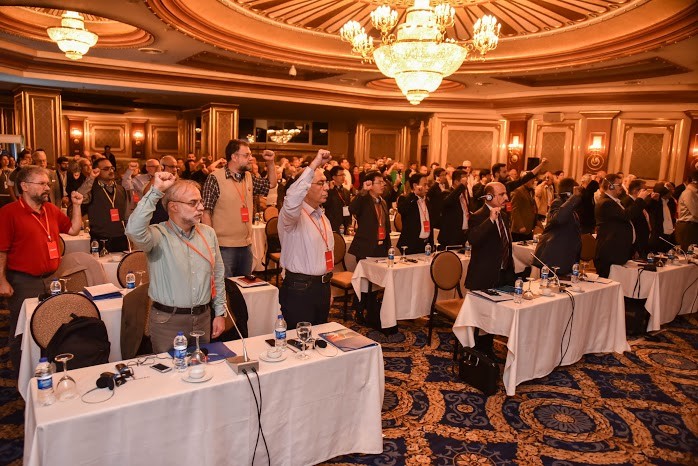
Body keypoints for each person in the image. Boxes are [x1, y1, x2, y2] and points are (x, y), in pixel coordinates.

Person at [125, 173, 226, 352]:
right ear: (173, 207)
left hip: (203, 318)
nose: (201, 207)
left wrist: (220, 312)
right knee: (169, 370)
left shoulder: (208, 233)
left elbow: (217, 274)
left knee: (202, 367)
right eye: (193, 203)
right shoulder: (158, 235)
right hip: (168, 321)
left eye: (200, 202)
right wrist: (155, 191)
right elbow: (133, 230)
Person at [0, 166, 84, 374]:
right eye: (42, 184)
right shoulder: (9, 212)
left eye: (48, 183)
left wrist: (77, 206)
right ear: (25, 186)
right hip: (23, 282)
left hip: (52, 279)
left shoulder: (51, 210)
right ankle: (23, 377)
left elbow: (74, 230)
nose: (47, 188)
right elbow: (1, 251)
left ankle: (49, 370)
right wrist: (1, 281)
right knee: (23, 330)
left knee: (51, 325)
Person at [202, 140, 276, 278]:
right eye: (246, 155)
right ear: (234, 157)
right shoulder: (215, 178)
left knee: (243, 287)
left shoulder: (248, 177)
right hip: (223, 247)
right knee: (224, 287)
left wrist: (270, 162)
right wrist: (210, 244)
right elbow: (206, 212)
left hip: (246, 246)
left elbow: (271, 184)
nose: (251, 158)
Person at [277, 150, 334, 329]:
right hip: (299, 290)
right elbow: (292, 197)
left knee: (318, 337)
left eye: (326, 183)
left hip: (322, 287)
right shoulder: (291, 216)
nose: (327, 187)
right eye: (320, 183)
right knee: (299, 340)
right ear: (306, 187)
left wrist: (327, 287)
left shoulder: (322, 216)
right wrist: (314, 164)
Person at [464, 182, 513, 360]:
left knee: (494, 316)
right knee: (481, 318)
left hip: (502, 274)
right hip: (483, 275)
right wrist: (490, 220)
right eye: (501, 194)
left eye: (505, 194)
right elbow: (473, 239)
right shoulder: (478, 216)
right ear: (489, 197)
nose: (506, 198)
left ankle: (488, 349)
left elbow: (506, 244)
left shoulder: (504, 216)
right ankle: (474, 353)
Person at [594, 174, 648, 278]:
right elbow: (626, 215)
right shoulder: (606, 203)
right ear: (610, 186)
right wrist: (640, 199)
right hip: (610, 251)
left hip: (617, 250)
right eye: (619, 185)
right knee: (608, 281)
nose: (622, 187)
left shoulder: (616, 201)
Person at [77, 158, 130, 252]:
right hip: (100, 238)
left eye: (112, 168)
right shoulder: (91, 189)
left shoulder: (121, 189)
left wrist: (130, 235)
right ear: (96, 171)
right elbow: (79, 196)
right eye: (106, 169)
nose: (111, 171)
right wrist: (91, 178)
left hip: (121, 237)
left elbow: (127, 215)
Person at [533, 178, 582, 275]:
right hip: (554, 256)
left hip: (565, 255)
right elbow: (558, 219)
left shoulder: (571, 207)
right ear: (569, 193)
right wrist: (574, 198)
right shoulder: (557, 202)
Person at [348, 170, 392, 261]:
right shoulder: (363, 200)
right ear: (370, 184)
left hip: (382, 247)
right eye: (379, 182)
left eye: (383, 182)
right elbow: (352, 209)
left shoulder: (383, 202)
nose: (383, 184)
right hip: (366, 248)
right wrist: (363, 191)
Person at [396, 173, 434, 255]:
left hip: (426, 244)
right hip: (411, 244)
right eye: (424, 185)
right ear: (415, 185)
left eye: (427, 185)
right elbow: (402, 210)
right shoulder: (405, 199)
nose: (427, 187)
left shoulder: (427, 200)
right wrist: (415, 195)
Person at [438, 169, 470, 249]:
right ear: (456, 181)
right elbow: (448, 202)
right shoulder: (446, 193)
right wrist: (461, 186)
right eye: (464, 181)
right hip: (451, 235)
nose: (466, 183)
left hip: (463, 234)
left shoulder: (464, 194)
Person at [621, 179, 654, 259]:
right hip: (635, 244)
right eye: (644, 190)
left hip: (643, 242)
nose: (647, 192)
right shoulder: (627, 202)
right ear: (636, 191)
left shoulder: (640, 202)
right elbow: (632, 223)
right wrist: (635, 248)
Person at [647, 182, 676, 253]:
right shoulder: (654, 200)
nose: (672, 192)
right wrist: (654, 199)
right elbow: (648, 207)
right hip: (657, 235)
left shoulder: (671, 201)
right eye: (670, 191)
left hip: (669, 235)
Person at [509, 174, 538, 242]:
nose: (533, 181)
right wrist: (520, 226)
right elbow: (514, 209)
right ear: (524, 180)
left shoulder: (531, 190)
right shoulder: (517, 191)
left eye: (533, 179)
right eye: (531, 179)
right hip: (519, 230)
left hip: (528, 228)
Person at [323, 166, 352, 232]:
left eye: (343, 175)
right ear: (334, 177)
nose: (343, 177)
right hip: (332, 224)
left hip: (344, 224)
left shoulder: (346, 191)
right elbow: (325, 204)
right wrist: (330, 190)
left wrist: (349, 224)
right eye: (341, 175)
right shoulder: (328, 191)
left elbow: (348, 208)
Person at [675, 170, 698, 250]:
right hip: (688, 226)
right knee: (687, 252)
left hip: (691, 226)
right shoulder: (689, 193)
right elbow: (696, 212)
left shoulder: (694, 193)